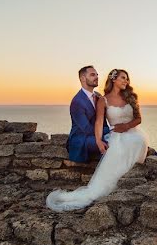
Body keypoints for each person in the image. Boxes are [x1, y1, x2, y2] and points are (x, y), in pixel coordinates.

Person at [47, 69, 149, 211]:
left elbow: (138, 118)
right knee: (117, 147)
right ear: (114, 79)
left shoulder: (126, 97)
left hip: (131, 132)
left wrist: (125, 126)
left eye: (127, 79)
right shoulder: (89, 101)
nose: (126, 81)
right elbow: (97, 123)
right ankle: (109, 184)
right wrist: (101, 139)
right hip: (84, 137)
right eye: (123, 78)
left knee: (137, 141)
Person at [66, 65, 111, 163]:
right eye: (92, 75)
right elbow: (87, 129)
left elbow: (103, 122)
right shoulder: (77, 101)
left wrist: (112, 131)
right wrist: (109, 132)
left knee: (120, 138)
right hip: (82, 139)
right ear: (83, 78)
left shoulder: (98, 97)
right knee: (112, 143)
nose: (96, 77)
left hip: (95, 134)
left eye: (97, 75)